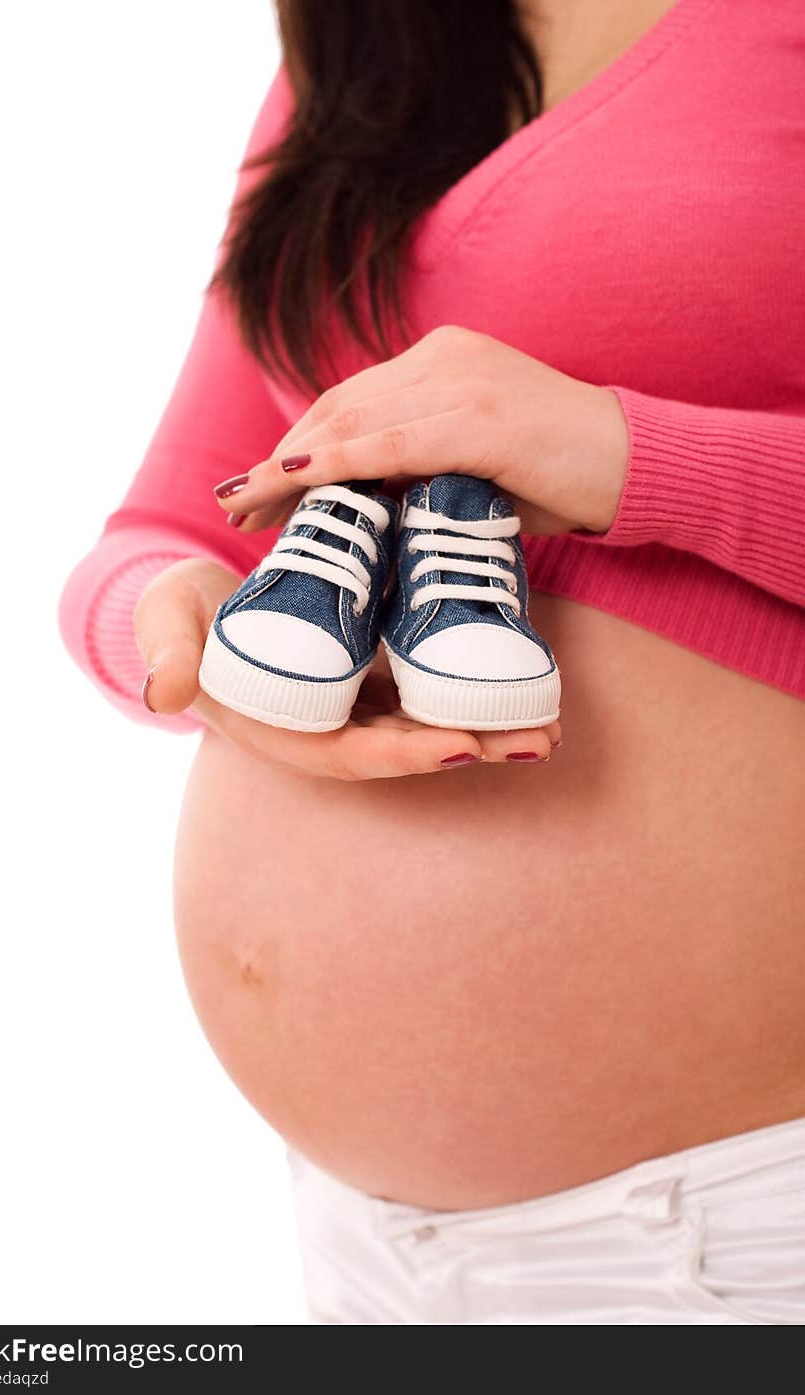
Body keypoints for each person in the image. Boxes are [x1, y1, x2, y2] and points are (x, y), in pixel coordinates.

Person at [59, 0, 805, 1324]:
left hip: (744, 1228)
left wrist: (634, 459)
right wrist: (179, 633)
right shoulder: (368, 36)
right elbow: (165, 527)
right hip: (371, 1254)